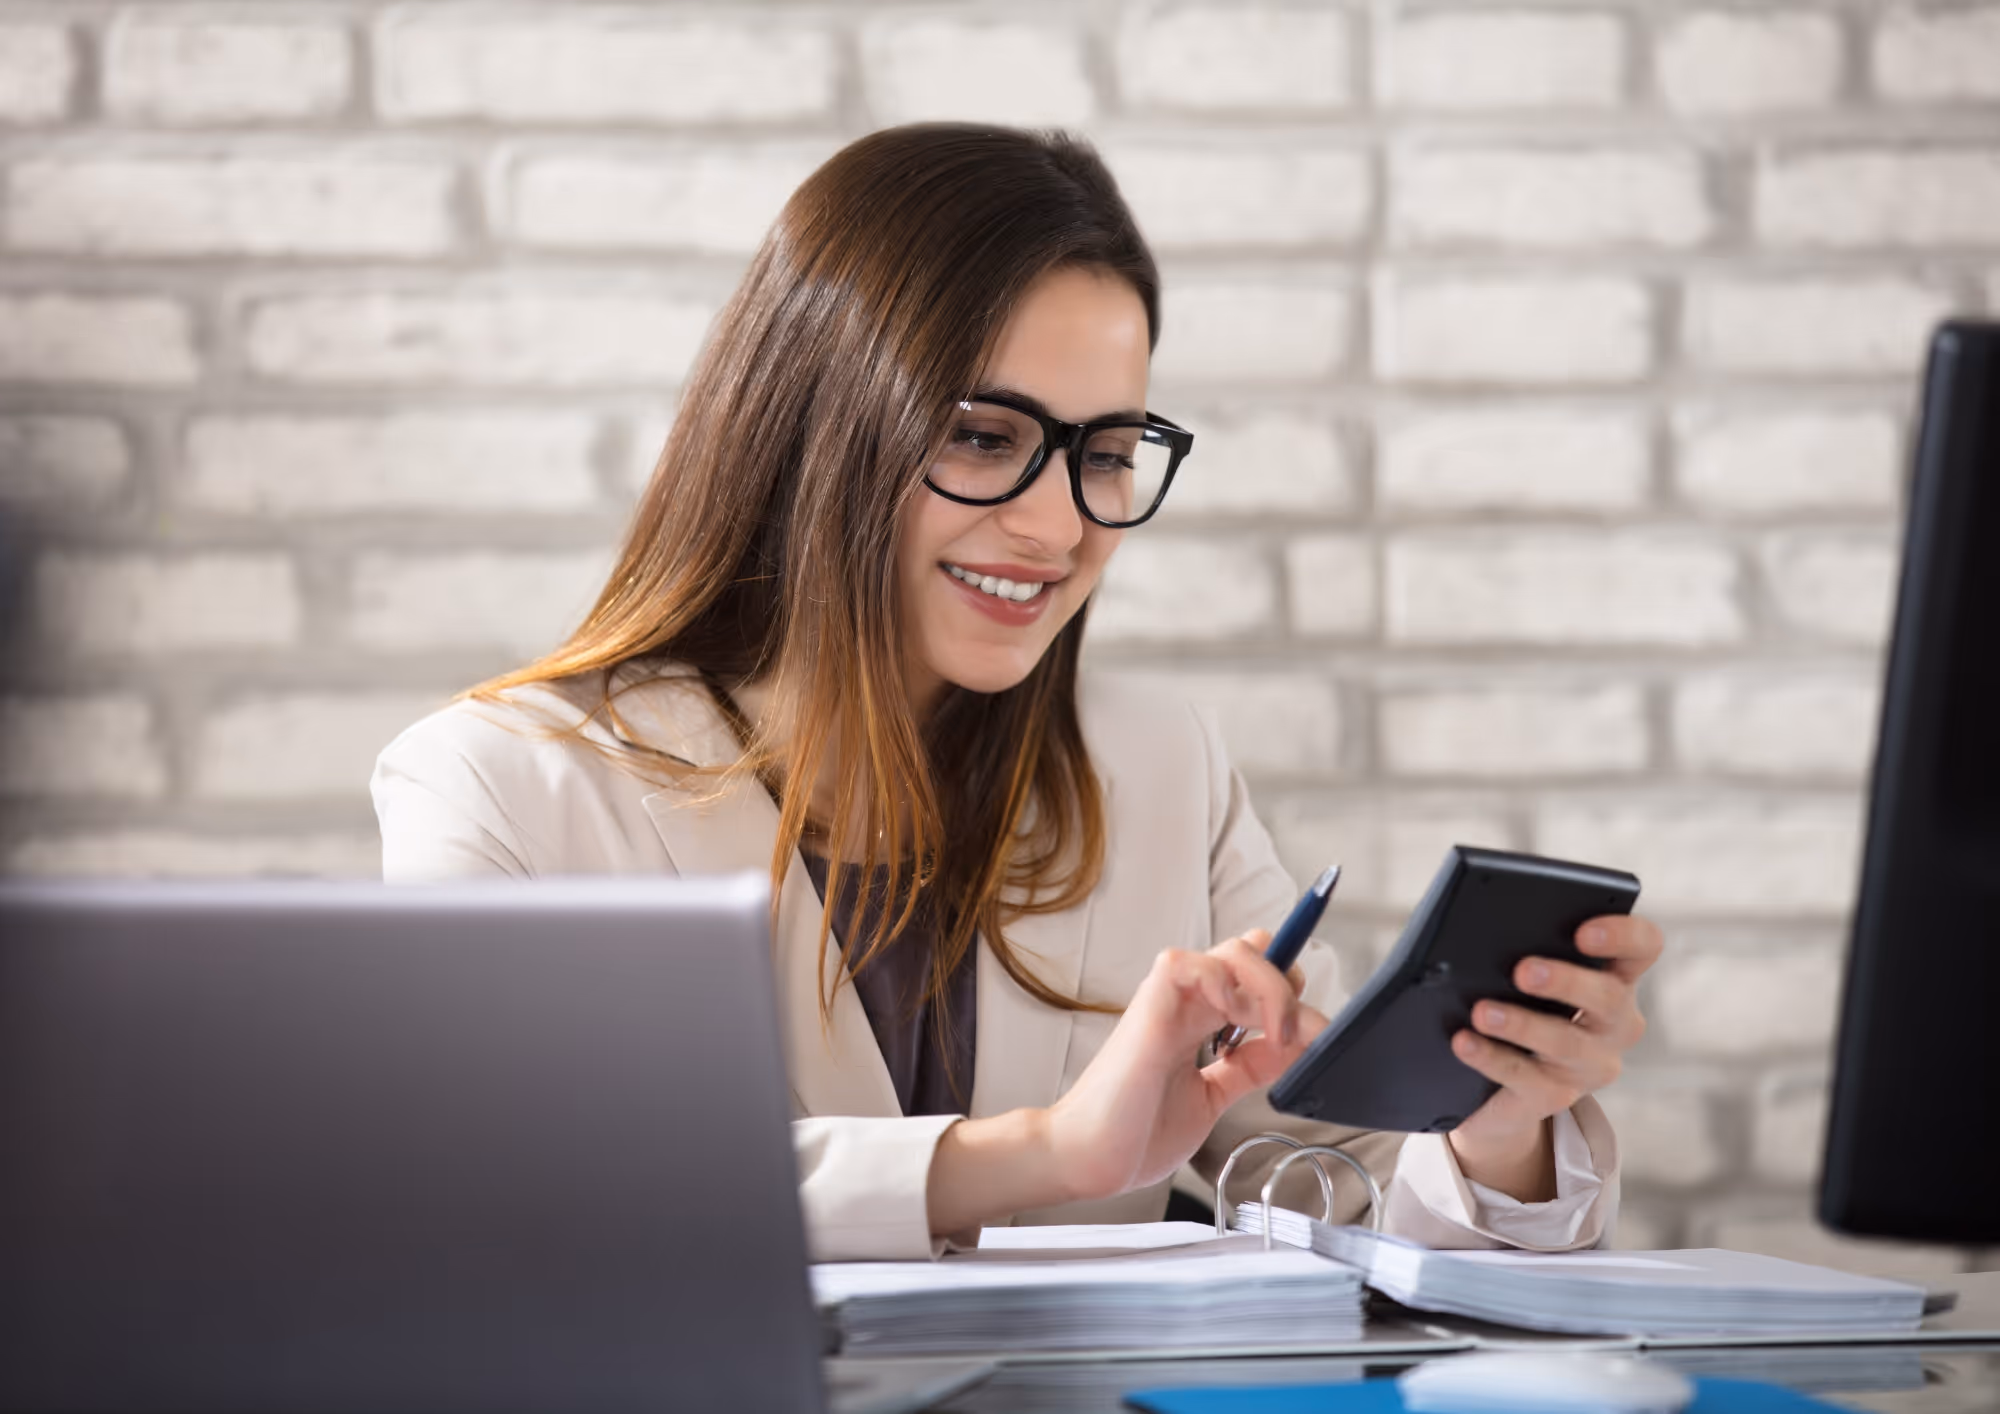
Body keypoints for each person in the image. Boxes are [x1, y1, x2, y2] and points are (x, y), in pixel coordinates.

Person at [373, 125, 1662, 1262]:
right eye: (985, 438)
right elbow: (501, 1199)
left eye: (1107, 455)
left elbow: (1342, 1201)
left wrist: (1494, 1130)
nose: (1058, 526)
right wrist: (1047, 1154)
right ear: (818, 427)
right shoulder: (501, 787)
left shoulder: (1162, 767)